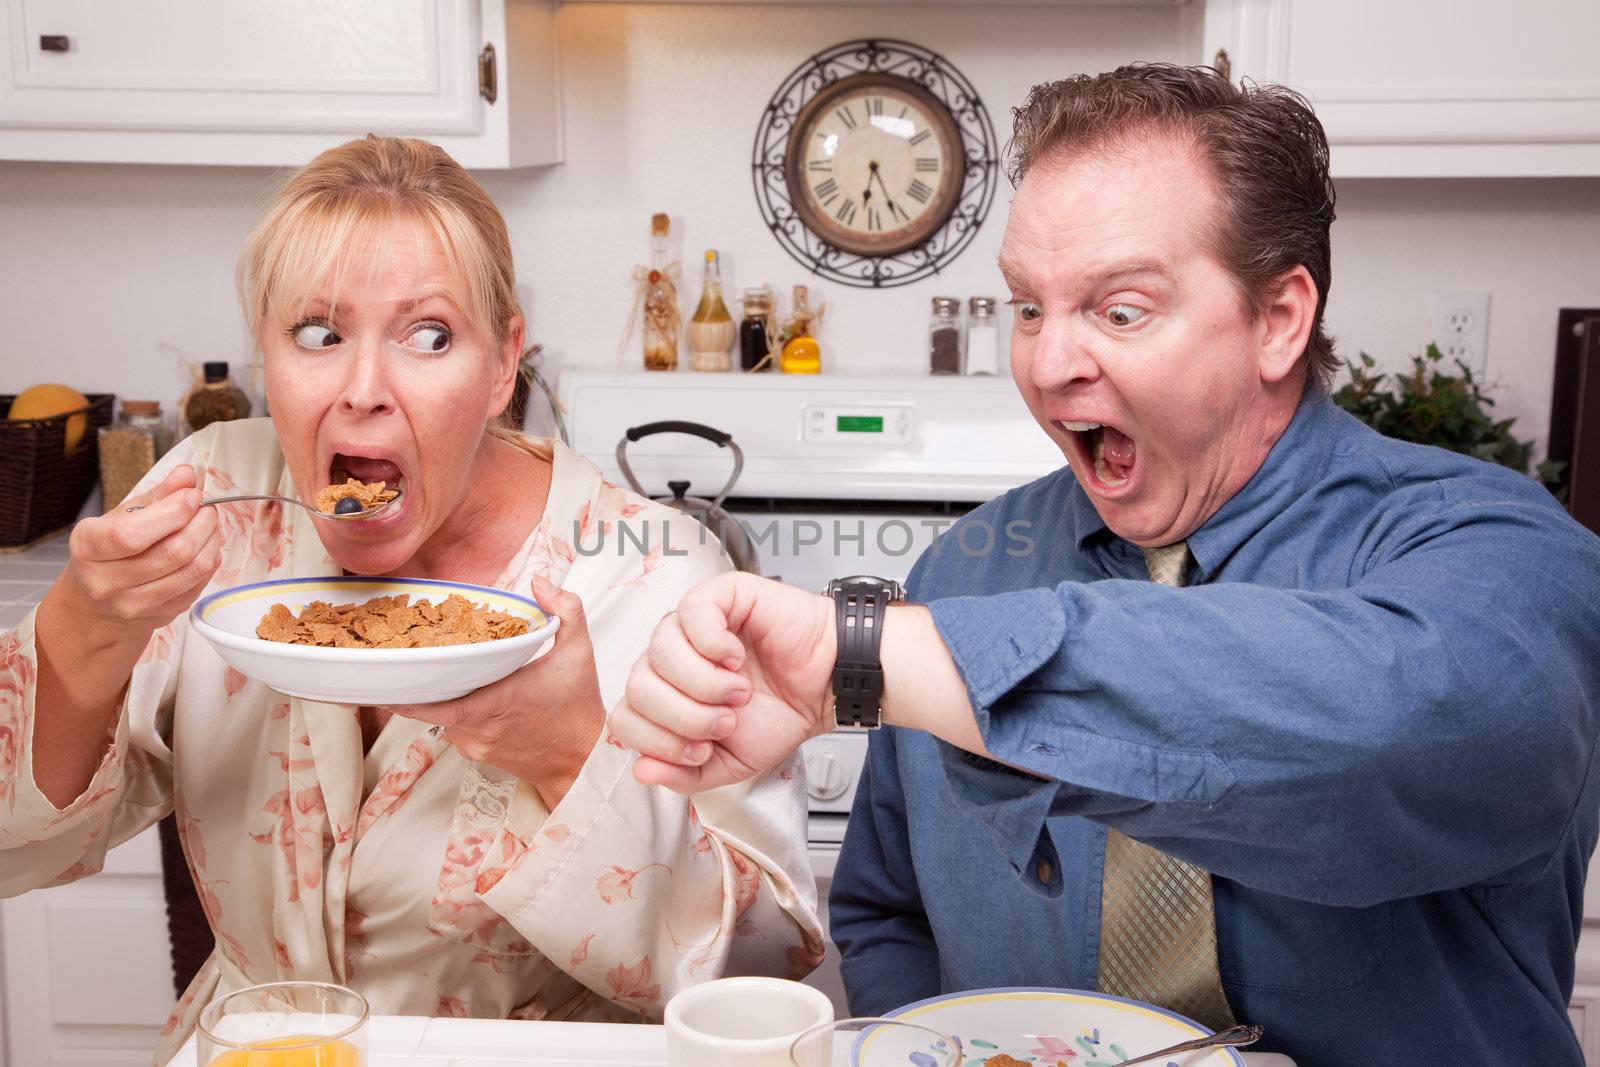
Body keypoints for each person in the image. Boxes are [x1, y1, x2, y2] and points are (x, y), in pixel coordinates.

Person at [608, 65, 1600, 1066]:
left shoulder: (1494, 551)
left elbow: (1397, 723)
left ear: (1278, 319)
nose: (1047, 365)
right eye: (1028, 308)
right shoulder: (965, 572)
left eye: (1119, 311)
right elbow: (885, 907)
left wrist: (874, 655)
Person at [0, 135, 822, 1063]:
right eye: (317, 333)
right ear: (265, 355)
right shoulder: (215, 504)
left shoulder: (659, 575)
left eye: (430, 335)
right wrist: (85, 626)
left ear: (505, 362)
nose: (363, 392)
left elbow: (768, 970)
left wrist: (567, 758)